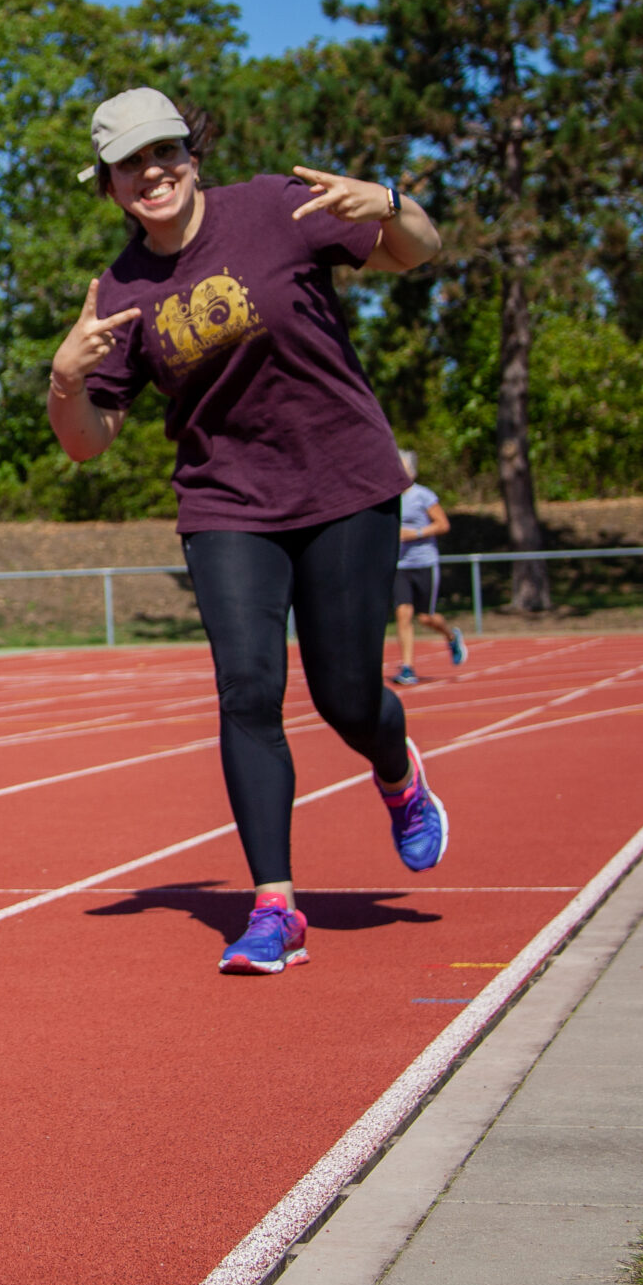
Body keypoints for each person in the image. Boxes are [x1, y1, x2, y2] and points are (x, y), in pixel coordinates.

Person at [45, 86, 452, 976]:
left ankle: (397, 771)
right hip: (227, 503)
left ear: (192, 156)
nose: (151, 173)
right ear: (109, 185)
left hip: (343, 481)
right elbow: (86, 445)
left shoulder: (274, 207)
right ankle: (276, 906)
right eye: (130, 165)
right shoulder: (118, 291)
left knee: (346, 697)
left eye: (165, 154)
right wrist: (65, 379)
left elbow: (414, 253)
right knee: (247, 693)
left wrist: (388, 201)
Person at [391, 448, 467, 686]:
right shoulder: (388, 499)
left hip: (424, 562)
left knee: (426, 618)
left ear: (411, 471)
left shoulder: (423, 496)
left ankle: (451, 636)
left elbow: (443, 524)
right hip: (399, 565)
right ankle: (407, 668)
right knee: (403, 614)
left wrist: (416, 533)